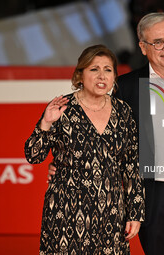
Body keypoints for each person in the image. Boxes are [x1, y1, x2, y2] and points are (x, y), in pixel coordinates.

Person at [49, 13, 164, 255]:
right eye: (157, 42)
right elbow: (99, 136)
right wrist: (64, 161)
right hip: (151, 200)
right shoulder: (125, 87)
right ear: (143, 47)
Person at [24, 44, 144, 255]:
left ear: (114, 76)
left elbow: (133, 165)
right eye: (94, 69)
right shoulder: (62, 107)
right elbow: (33, 156)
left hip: (111, 214)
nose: (102, 75)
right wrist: (46, 123)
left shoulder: (123, 111)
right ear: (80, 75)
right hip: (65, 214)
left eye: (108, 69)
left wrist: (135, 213)